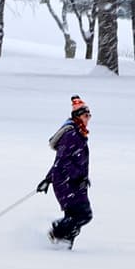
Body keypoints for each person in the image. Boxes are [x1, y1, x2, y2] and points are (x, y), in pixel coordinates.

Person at [38, 95, 93, 248]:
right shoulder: (72, 135)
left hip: (73, 183)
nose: (88, 118)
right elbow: (62, 161)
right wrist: (77, 176)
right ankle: (55, 234)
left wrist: (48, 179)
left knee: (75, 217)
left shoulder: (79, 134)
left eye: (89, 115)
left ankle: (64, 245)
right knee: (83, 214)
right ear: (77, 116)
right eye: (85, 115)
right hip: (67, 183)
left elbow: (61, 160)